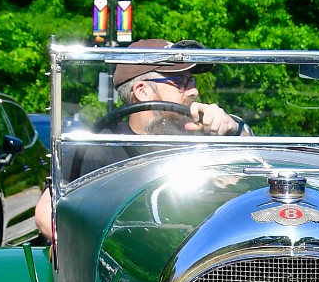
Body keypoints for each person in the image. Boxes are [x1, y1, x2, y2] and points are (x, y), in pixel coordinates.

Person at [34, 39, 244, 241]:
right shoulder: (100, 146)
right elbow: (46, 214)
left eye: (192, 81)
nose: (194, 91)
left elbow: (256, 168)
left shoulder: (202, 139)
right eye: (181, 82)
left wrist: (232, 127)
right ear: (142, 91)